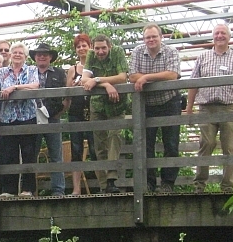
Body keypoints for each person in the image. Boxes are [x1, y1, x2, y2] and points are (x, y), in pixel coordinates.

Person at [187, 23, 233, 193]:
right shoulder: (203, 57)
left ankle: (227, 187)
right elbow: (193, 84)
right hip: (206, 108)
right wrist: (189, 107)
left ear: (229, 37)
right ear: (213, 37)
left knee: (230, 148)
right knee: (206, 144)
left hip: (230, 108)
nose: (219, 36)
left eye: (223, 33)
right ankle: (199, 185)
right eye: (217, 33)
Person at [129, 23, 182, 193]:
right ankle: (148, 183)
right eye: (147, 37)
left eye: (154, 36)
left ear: (161, 37)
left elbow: (172, 75)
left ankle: (168, 183)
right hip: (147, 104)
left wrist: (145, 78)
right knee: (145, 145)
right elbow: (131, 76)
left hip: (170, 101)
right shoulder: (138, 51)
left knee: (171, 144)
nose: (151, 40)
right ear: (144, 39)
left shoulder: (171, 51)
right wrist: (155, 77)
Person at [82, 34, 129, 194]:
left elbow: (123, 77)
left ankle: (111, 178)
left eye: (103, 48)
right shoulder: (90, 55)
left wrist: (97, 80)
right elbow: (84, 80)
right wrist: (106, 84)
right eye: (97, 48)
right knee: (99, 144)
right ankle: (104, 186)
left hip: (117, 104)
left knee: (115, 136)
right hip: (98, 105)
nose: (100, 51)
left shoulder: (118, 52)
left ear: (109, 46)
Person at [0, 42, 40, 197]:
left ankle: (28, 189)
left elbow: (35, 85)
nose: (17, 55)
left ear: (25, 56)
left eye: (21, 52)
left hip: (27, 117)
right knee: (8, 154)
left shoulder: (31, 69)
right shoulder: (2, 72)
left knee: (28, 153)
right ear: (11, 55)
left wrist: (15, 87)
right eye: (15, 52)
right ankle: (9, 189)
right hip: (7, 118)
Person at [30, 43, 67, 197]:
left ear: (51, 57)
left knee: (56, 155)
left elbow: (65, 95)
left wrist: (60, 112)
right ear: (35, 58)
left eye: (45, 54)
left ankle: (58, 190)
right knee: (31, 155)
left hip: (53, 117)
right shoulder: (29, 72)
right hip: (33, 118)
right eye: (39, 54)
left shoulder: (59, 73)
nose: (42, 56)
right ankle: (30, 190)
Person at [66, 33, 95, 195]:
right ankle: (76, 188)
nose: (82, 48)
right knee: (76, 149)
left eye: (84, 45)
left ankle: (102, 184)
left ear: (89, 47)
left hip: (92, 111)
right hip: (76, 111)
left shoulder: (96, 67)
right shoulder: (72, 69)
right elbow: (67, 93)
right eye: (79, 46)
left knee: (95, 148)